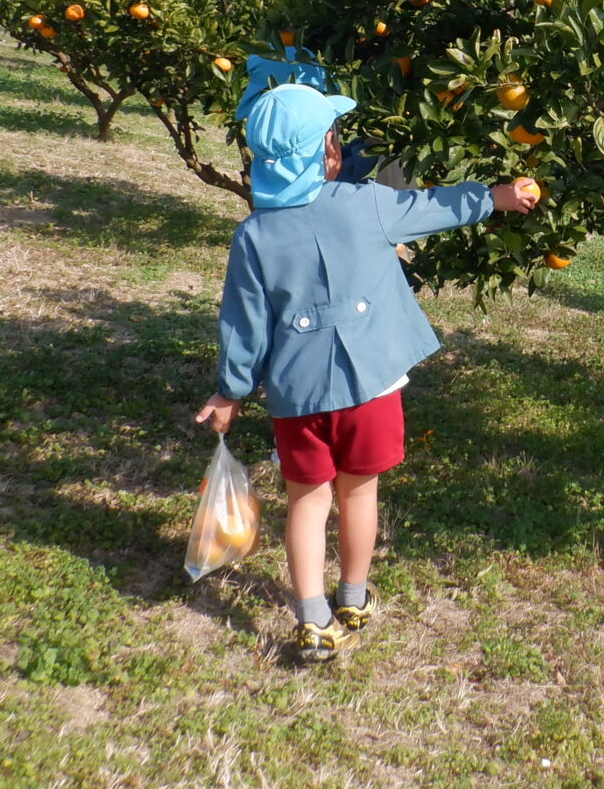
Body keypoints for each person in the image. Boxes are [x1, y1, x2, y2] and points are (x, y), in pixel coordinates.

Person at [195, 82, 541, 664]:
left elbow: (244, 324)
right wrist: (500, 196)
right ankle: (352, 600)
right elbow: (433, 206)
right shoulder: (367, 202)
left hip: (297, 394)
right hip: (370, 385)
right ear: (328, 151)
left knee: (307, 502)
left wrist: (231, 392)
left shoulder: (253, 236)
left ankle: (311, 619)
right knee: (360, 493)